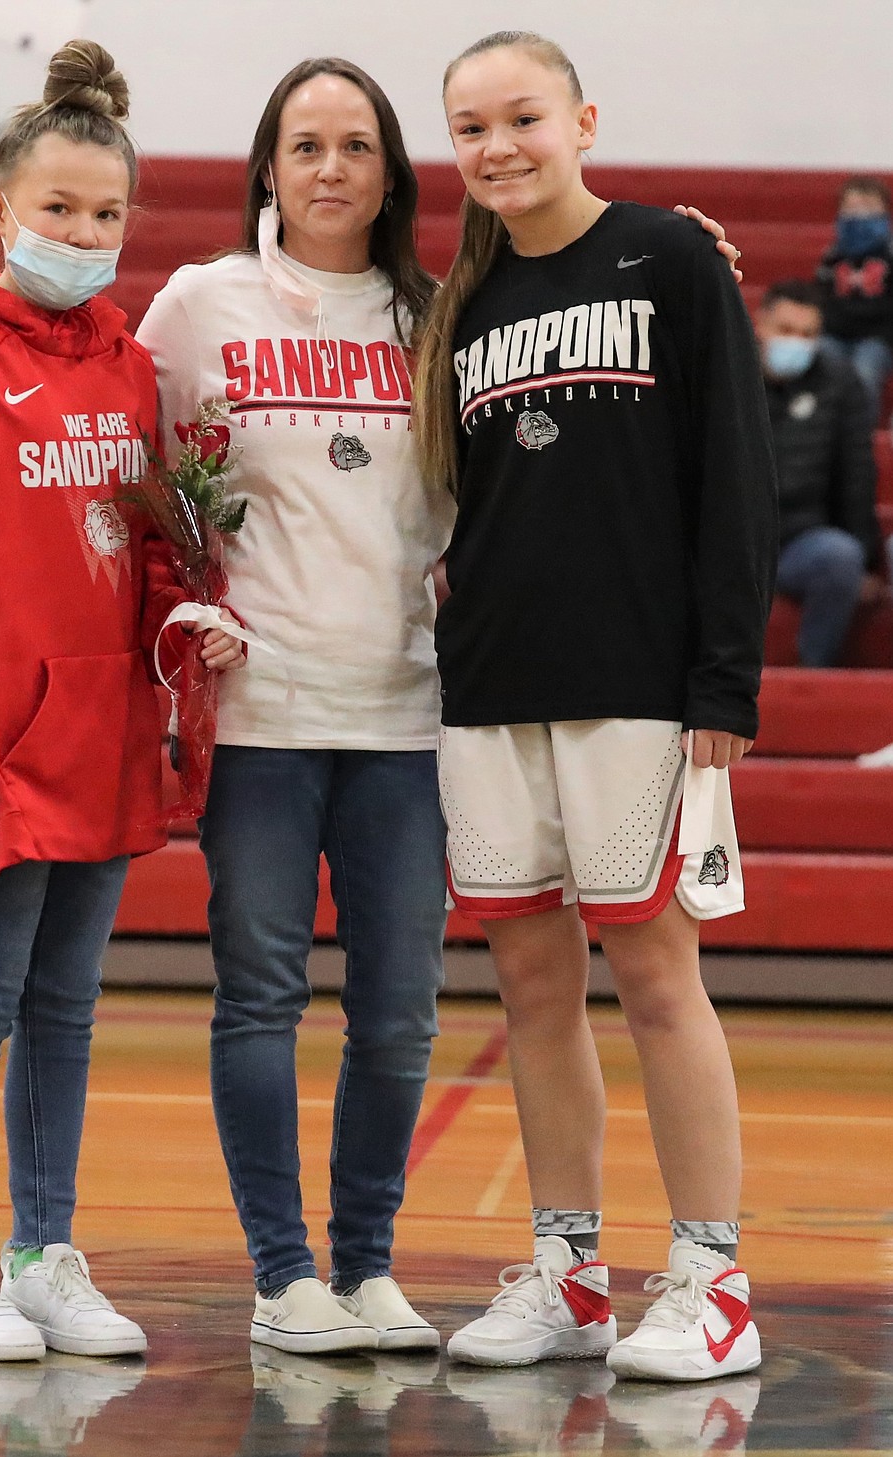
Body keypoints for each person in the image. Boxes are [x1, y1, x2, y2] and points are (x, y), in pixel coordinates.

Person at [136, 55, 744, 1358]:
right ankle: (330, 1271)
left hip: (443, 706)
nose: (331, 168)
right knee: (321, 994)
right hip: (328, 713)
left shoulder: (445, 303)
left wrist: (722, 679)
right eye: (305, 145)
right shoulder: (228, 305)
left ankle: (666, 1275)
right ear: (266, 164)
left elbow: (699, 457)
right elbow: (124, 449)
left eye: (359, 144)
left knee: (485, 997)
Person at [0, 38, 242, 1363]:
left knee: (68, 1006)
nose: (83, 233)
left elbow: (133, 545)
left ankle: (41, 1252)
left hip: (100, 741)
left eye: (106, 213)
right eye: (57, 209)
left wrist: (182, 622)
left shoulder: (125, 361)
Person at [412, 30, 777, 1382]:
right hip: (490, 685)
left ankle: (710, 1276)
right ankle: (569, 1274)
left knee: (657, 974)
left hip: (635, 683)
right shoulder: (458, 298)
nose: (497, 144)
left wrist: (722, 683)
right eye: (469, 126)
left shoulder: (670, 259)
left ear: (581, 120)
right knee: (526, 979)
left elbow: (736, 476)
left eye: (521, 117)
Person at [756, 279, 881, 667]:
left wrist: (869, 559)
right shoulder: (724, 372)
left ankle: (814, 675)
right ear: (760, 324)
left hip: (799, 540)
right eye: (787, 330)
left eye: (808, 334)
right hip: (729, 543)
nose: (797, 342)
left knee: (840, 556)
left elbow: (857, 475)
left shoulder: (841, 383)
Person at [816, 176, 893, 428]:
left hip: (878, 338)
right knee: (823, 360)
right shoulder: (833, 256)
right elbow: (821, 297)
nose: (860, 215)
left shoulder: (889, 257)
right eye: (852, 207)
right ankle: (825, 429)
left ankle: (860, 432)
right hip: (836, 335)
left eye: (869, 207)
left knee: (865, 370)